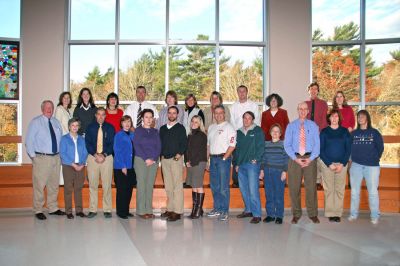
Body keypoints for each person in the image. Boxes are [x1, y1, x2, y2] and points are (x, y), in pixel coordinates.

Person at [25, 100, 65, 220]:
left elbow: (60, 139)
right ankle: (38, 209)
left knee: (53, 185)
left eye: (51, 107)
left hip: (56, 158)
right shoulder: (36, 122)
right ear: (42, 109)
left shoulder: (56, 122)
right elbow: (29, 141)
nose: (49, 109)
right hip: (42, 158)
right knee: (40, 185)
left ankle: (53, 208)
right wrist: (34, 157)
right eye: (47, 107)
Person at [284, 102, 320, 224]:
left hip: (310, 158)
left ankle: (313, 214)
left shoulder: (313, 126)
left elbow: (317, 145)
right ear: (298, 110)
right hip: (295, 159)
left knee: (311, 187)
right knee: (294, 188)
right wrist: (296, 159)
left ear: (308, 111)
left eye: (305, 109)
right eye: (300, 109)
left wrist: (310, 159)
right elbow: (287, 145)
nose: (303, 111)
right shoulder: (291, 126)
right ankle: (296, 214)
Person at [348, 110, 384, 225]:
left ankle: (375, 215)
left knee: (373, 192)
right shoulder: (353, 133)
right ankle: (353, 214)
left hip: (372, 167)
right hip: (356, 166)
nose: (360, 118)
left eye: (362, 116)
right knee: (354, 192)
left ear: (367, 118)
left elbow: (380, 148)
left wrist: (374, 158)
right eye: (358, 116)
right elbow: (349, 149)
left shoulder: (375, 133)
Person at [319, 109, 351, 222]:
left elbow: (348, 150)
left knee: (339, 189)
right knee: (329, 189)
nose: (334, 119)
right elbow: (320, 150)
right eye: (332, 116)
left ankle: (337, 213)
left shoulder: (345, 131)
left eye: (336, 116)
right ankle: (330, 213)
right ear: (329, 118)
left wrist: (342, 164)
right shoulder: (324, 132)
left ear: (339, 118)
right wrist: (329, 164)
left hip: (342, 165)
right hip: (327, 164)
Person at [207, 105, 236, 221]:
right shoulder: (211, 127)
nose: (218, 115)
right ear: (214, 114)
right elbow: (208, 145)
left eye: (221, 113)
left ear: (224, 114)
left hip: (223, 160)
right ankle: (217, 209)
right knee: (215, 186)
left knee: (223, 187)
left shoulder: (229, 127)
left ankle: (224, 211)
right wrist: (207, 160)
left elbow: (232, 145)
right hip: (213, 159)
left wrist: (224, 158)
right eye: (216, 113)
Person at [234, 111, 264, 224]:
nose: (246, 120)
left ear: (252, 120)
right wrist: (236, 163)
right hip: (241, 165)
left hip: (252, 165)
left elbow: (261, 147)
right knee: (244, 190)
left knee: (253, 190)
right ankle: (248, 210)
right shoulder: (239, 132)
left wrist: (257, 159)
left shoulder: (257, 130)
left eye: (249, 118)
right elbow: (237, 149)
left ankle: (257, 214)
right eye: (245, 118)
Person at [85, 107, 115, 218]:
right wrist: (95, 154)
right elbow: (87, 143)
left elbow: (112, 143)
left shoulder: (110, 128)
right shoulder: (89, 127)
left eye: (103, 114)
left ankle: (107, 209)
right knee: (93, 185)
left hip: (107, 158)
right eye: (99, 114)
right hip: (93, 158)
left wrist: (104, 155)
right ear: (96, 115)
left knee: (107, 184)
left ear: (105, 116)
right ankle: (93, 209)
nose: (101, 116)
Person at [159, 106, 187, 222]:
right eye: (169, 113)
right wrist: (161, 156)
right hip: (164, 160)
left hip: (175, 159)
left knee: (177, 186)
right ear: (167, 114)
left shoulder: (180, 128)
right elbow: (159, 143)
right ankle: (170, 209)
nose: (171, 115)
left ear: (177, 115)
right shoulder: (162, 129)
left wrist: (179, 154)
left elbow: (184, 143)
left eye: (174, 113)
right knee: (168, 186)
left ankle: (178, 211)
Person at [133, 109, 161, 219]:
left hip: (154, 161)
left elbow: (159, 146)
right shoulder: (138, 131)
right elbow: (137, 146)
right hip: (141, 160)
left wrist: (153, 159)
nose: (149, 119)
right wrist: (146, 159)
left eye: (151, 117)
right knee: (141, 185)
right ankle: (141, 210)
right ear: (142, 119)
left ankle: (149, 210)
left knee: (149, 185)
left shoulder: (155, 131)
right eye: (146, 117)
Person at [230, 85, 260, 187]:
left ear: (247, 92)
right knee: (237, 156)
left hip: (251, 134)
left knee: (249, 156)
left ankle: (250, 178)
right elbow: (232, 122)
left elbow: (257, 122)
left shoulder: (253, 105)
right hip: (238, 134)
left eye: (244, 91)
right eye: (240, 91)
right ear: (237, 93)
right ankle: (236, 180)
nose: (242, 93)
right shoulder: (233, 106)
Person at [260, 124, 289, 225]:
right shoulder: (266, 144)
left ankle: (279, 216)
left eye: (277, 131)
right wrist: (262, 170)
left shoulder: (283, 144)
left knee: (279, 195)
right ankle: (270, 215)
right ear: (270, 133)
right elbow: (263, 158)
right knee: (269, 194)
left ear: (280, 134)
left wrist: (285, 171)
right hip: (267, 172)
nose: (275, 133)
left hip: (279, 173)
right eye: (273, 131)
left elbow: (286, 159)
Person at [59, 118, 88, 219]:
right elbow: (63, 153)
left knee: (78, 189)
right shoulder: (64, 139)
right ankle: (69, 211)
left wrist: (82, 164)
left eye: (76, 125)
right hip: (68, 166)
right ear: (69, 127)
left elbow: (85, 152)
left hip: (80, 166)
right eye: (73, 125)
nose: (75, 127)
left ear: (79, 127)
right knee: (68, 189)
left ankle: (79, 210)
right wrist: (73, 165)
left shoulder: (82, 139)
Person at [306, 82, 328, 191]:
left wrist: (320, 132)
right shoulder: (305, 104)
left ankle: (319, 181)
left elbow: (324, 119)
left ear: (318, 91)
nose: (313, 90)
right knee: (311, 158)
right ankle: (312, 181)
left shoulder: (323, 103)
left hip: (320, 134)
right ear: (308, 90)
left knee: (320, 158)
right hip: (308, 136)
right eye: (311, 89)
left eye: (316, 89)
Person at [113, 115, 136, 219]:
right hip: (121, 167)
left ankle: (126, 211)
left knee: (129, 190)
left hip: (131, 166)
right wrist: (123, 166)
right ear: (121, 123)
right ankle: (121, 212)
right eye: (125, 122)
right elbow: (117, 152)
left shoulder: (132, 134)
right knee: (122, 190)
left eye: (129, 122)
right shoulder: (118, 135)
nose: (127, 124)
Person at [185, 115, 207, 219]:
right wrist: (186, 161)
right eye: (192, 121)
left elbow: (199, 152)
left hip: (198, 163)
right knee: (194, 185)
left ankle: (198, 211)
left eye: (196, 122)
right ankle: (196, 209)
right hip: (191, 163)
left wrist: (192, 162)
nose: (194, 123)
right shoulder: (190, 134)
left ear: (200, 124)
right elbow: (187, 150)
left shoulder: (201, 135)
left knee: (198, 186)